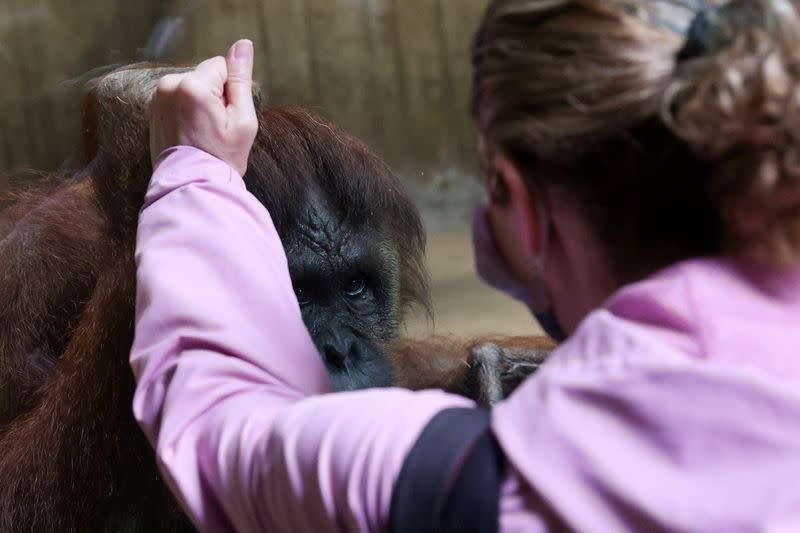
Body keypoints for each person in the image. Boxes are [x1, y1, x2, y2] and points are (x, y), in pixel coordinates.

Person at [131, 1, 800, 531]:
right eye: (302, 291)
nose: (337, 344)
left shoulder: (482, 487)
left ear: (520, 202)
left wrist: (194, 174)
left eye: (358, 287)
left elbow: (221, 442)